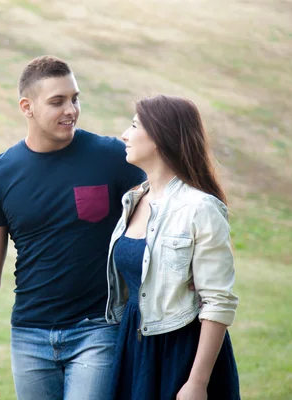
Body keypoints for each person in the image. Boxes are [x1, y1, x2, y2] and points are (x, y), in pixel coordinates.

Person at [0, 55, 146, 400]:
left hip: (98, 330)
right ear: (26, 107)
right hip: (29, 337)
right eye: (57, 101)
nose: (71, 110)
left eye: (75, 98)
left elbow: (164, 205)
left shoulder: (112, 158)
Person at [106, 95, 240, 399]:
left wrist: (198, 382)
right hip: (134, 346)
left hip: (181, 353)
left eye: (133, 125)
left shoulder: (200, 208)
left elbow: (217, 301)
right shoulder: (134, 199)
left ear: (159, 138)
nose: (125, 135)